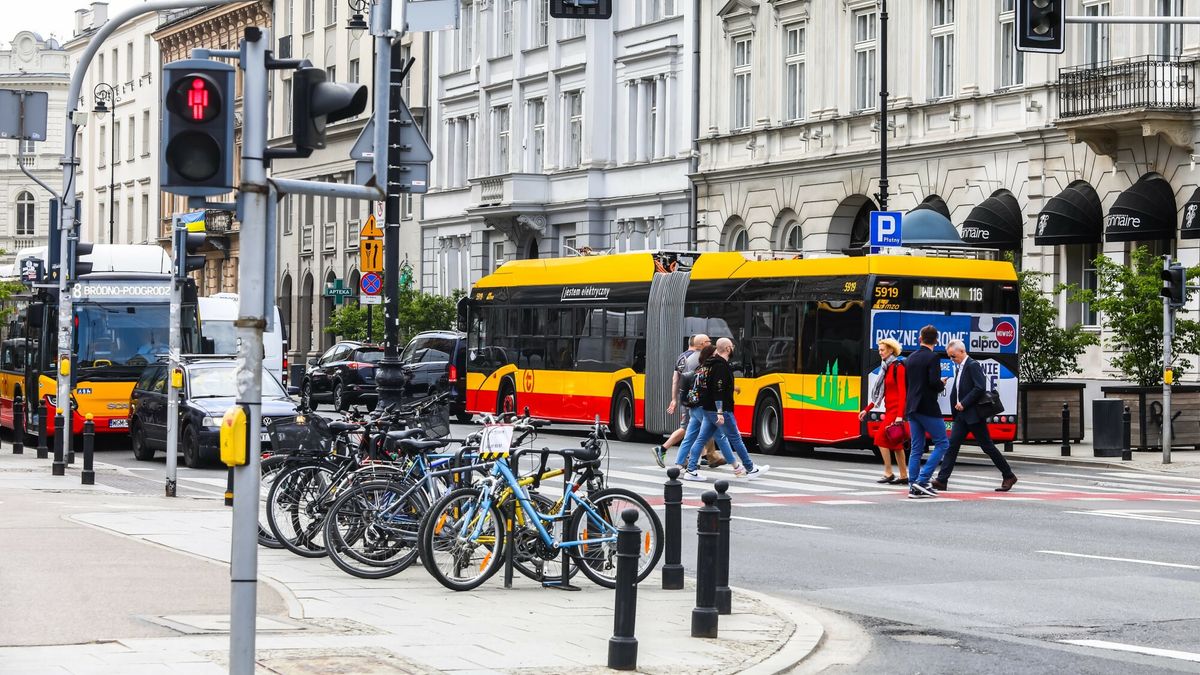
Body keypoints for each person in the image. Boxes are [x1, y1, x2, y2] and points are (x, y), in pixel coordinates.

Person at [933, 340, 1018, 492]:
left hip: (973, 414)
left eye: (953, 356)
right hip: (962, 415)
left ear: (961, 351)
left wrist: (964, 403)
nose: (952, 359)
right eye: (950, 357)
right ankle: (942, 480)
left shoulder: (972, 365)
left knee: (987, 447)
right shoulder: (960, 367)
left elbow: (980, 387)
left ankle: (1008, 475)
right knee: (952, 446)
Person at [683, 338, 768, 481]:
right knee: (736, 438)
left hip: (707, 409)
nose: (733, 348)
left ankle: (691, 470)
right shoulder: (721, 366)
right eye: (732, 346)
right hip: (720, 410)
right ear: (728, 349)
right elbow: (719, 390)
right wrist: (720, 411)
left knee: (701, 438)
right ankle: (750, 468)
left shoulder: (709, 364)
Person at [904, 325, 950, 499]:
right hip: (928, 407)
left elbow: (909, 384)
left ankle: (913, 486)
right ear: (936, 341)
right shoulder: (933, 357)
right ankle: (922, 481)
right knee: (942, 443)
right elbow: (933, 382)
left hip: (912, 407)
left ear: (919, 338)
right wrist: (942, 383)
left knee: (916, 448)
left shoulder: (910, 358)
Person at [652, 334, 713, 467]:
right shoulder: (697, 358)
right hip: (694, 398)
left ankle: (699, 456)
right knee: (688, 428)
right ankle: (663, 449)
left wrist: (674, 399)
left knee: (695, 427)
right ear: (699, 344)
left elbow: (676, 380)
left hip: (685, 396)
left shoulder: (681, 357)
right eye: (708, 341)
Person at [672, 343, 734, 472]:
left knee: (690, 437)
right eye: (715, 353)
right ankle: (737, 466)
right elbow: (714, 390)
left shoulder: (699, 369)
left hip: (694, 407)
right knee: (719, 437)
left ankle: (679, 464)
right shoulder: (710, 370)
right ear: (711, 355)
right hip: (703, 408)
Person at [859, 338, 909, 484]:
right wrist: (866, 410)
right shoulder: (886, 368)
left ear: (891, 350)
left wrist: (900, 416)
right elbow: (880, 393)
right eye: (879, 349)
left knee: (880, 438)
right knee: (896, 444)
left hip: (895, 412)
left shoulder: (898, 367)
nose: (880, 352)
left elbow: (902, 393)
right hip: (889, 410)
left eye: (882, 349)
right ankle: (904, 475)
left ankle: (888, 472)